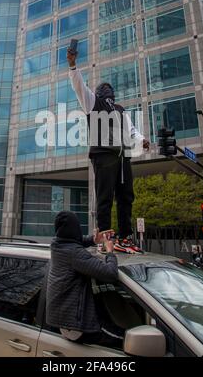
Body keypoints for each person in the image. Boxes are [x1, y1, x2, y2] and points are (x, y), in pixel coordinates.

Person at [67, 50, 150, 253]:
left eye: (109, 90)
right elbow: (80, 87)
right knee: (104, 196)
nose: (107, 91)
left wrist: (142, 140)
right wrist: (72, 67)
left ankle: (124, 236)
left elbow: (131, 131)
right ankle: (105, 236)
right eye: (104, 89)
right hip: (103, 154)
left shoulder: (121, 109)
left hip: (122, 156)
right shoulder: (93, 101)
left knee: (126, 196)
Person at [46, 211, 122, 346]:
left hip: (63, 319)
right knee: (123, 339)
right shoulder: (75, 253)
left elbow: (74, 241)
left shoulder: (56, 245)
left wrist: (94, 239)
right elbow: (110, 274)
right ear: (74, 229)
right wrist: (110, 252)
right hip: (76, 326)